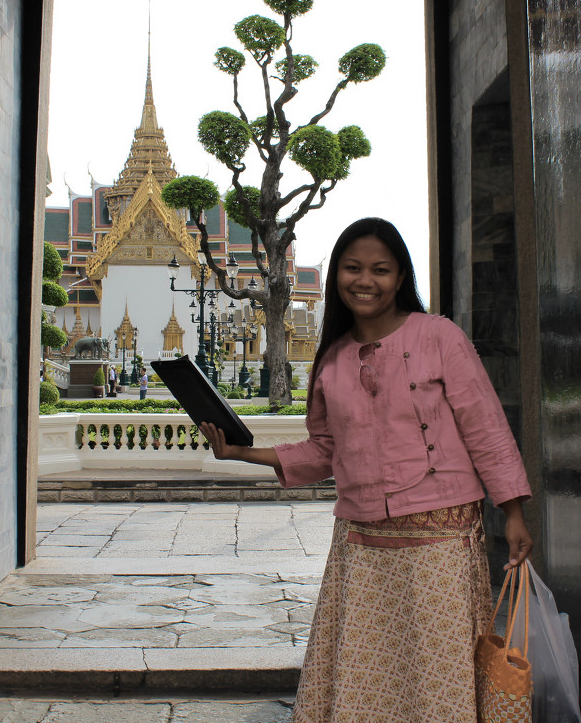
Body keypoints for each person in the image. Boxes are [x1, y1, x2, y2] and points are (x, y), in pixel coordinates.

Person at [201, 217, 532, 723]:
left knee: (436, 672)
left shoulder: (439, 336)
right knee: (365, 674)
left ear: (401, 277)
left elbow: (485, 427)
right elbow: (324, 449)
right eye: (353, 268)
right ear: (337, 276)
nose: (365, 280)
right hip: (361, 542)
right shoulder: (331, 358)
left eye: (380, 269)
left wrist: (512, 511)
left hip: (439, 537)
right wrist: (244, 453)